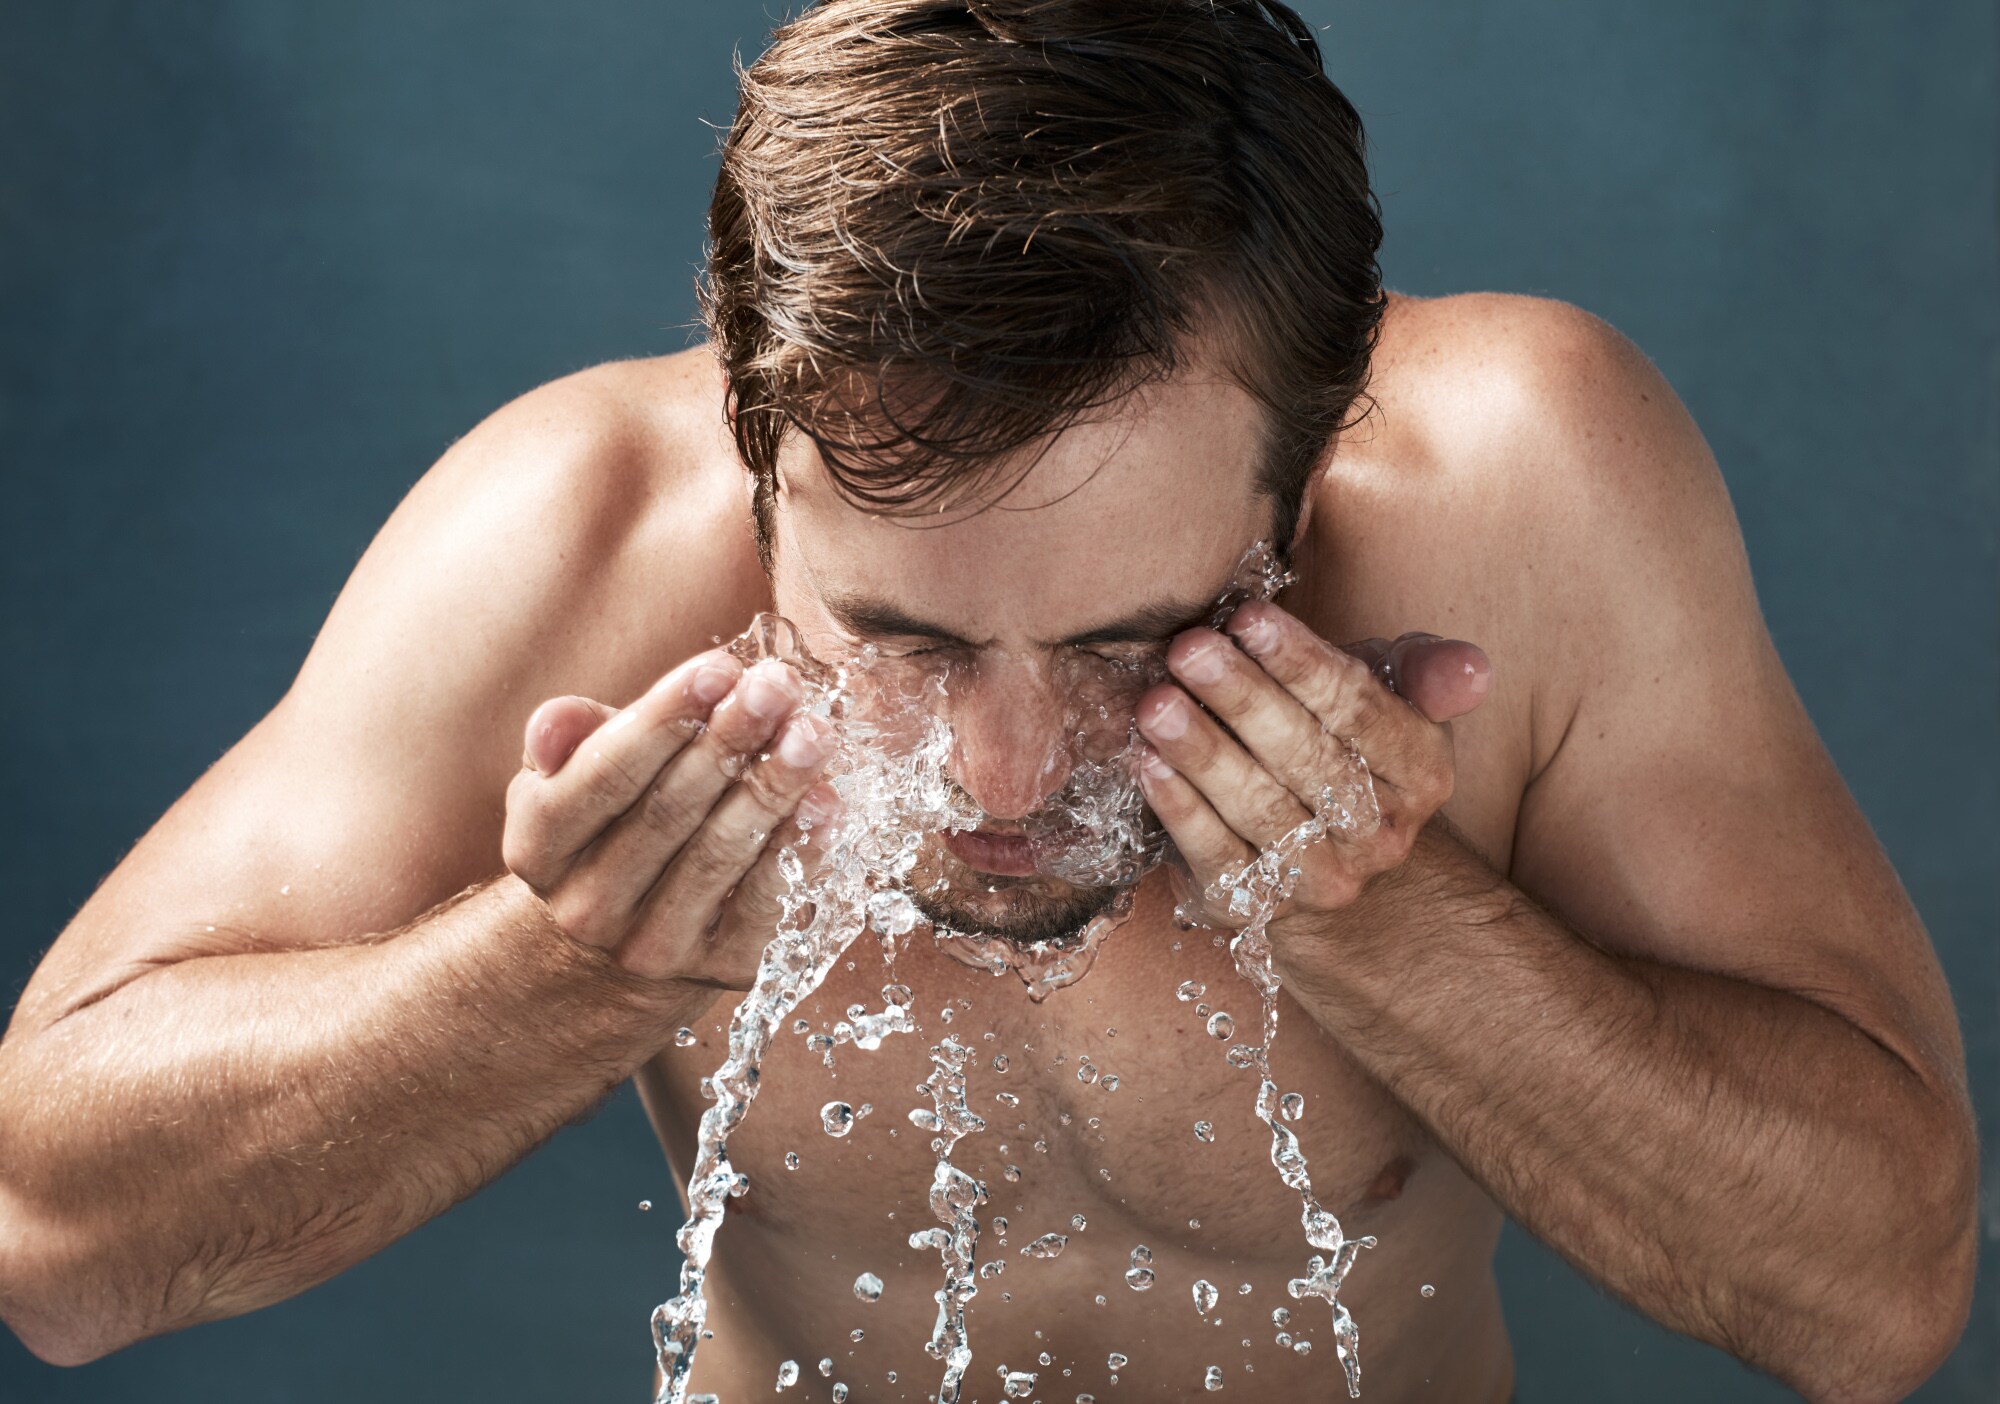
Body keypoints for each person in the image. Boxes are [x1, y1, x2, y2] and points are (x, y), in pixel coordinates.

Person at [0, 3, 1976, 1400]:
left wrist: (1395, 928)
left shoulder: (1521, 494)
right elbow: (52, 1254)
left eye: (1136, 637)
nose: (1000, 776)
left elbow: (1880, 1304)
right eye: (902, 639)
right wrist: (558, 976)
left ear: (1314, 471)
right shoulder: (585, 533)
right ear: (752, 456)